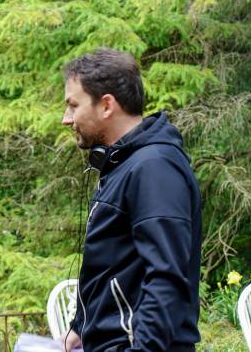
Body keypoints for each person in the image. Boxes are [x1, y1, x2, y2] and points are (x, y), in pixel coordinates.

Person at [60, 48, 202, 352]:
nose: (66, 119)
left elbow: (166, 278)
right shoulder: (123, 165)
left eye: (73, 105)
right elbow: (112, 264)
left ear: (106, 105)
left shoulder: (154, 168)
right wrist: (81, 325)